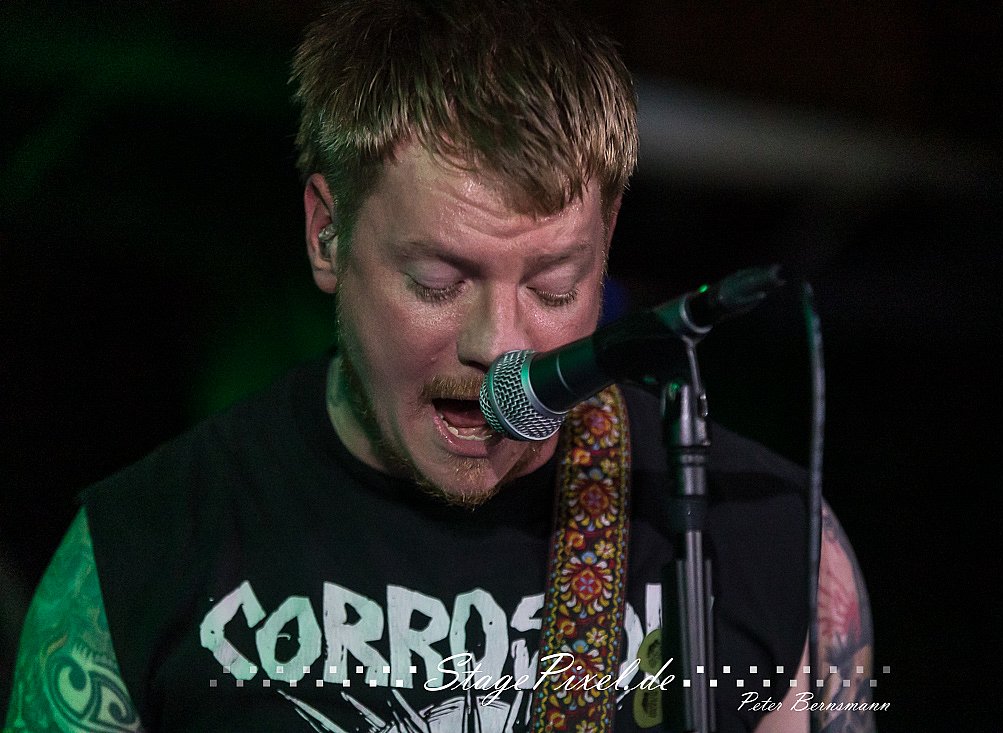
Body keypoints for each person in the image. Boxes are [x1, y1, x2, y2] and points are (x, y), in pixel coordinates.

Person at [5, 1, 876, 731]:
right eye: (438, 280)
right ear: (327, 233)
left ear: (607, 241)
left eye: (554, 284)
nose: (501, 342)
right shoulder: (144, 547)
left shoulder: (764, 541)